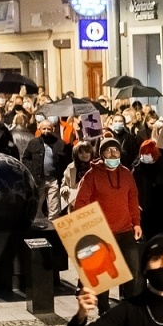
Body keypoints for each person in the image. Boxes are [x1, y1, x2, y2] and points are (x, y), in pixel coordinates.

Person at [74, 138, 143, 313]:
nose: (113, 154)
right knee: (103, 276)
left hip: (125, 229)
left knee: (131, 271)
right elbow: (80, 202)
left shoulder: (127, 174)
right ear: (102, 154)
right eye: (108, 151)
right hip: (102, 232)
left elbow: (132, 199)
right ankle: (103, 309)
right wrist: (88, 226)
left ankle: (131, 308)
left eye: (116, 151)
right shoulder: (92, 175)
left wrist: (136, 223)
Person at [21, 117, 69, 218]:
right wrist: (32, 170)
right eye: (44, 128)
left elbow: (65, 161)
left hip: (54, 180)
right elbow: (26, 158)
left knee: (54, 208)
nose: (46, 131)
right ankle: (37, 227)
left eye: (48, 129)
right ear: (39, 129)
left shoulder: (59, 144)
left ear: (53, 129)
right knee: (37, 205)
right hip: (38, 179)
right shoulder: (33, 142)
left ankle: (52, 228)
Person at [58, 140, 95, 215]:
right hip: (75, 206)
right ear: (76, 154)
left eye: (87, 152)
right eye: (81, 152)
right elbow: (64, 185)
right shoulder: (70, 168)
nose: (84, 154)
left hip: (93, 206)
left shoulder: (97, 167)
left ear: (91, 153)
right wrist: (65, 189)